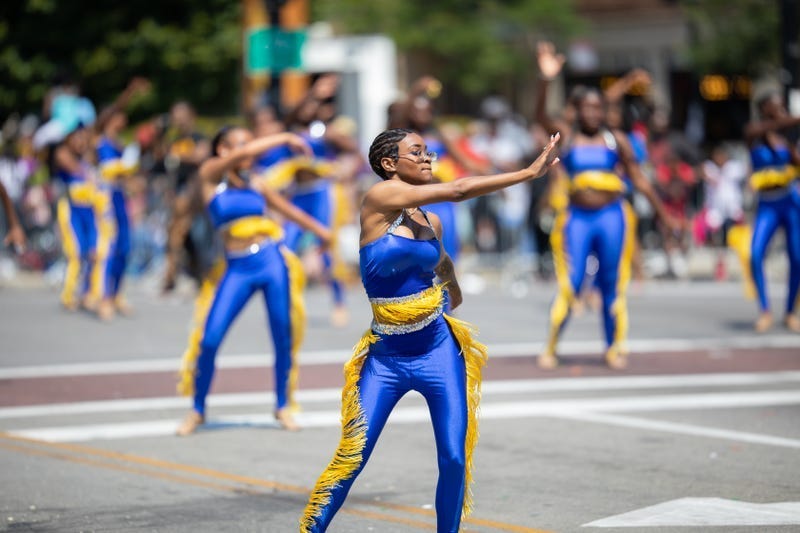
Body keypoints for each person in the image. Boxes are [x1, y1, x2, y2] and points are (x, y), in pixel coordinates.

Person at [300, 128, 560, 532]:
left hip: (438, 349)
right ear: (390, 164)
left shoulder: (429, 219)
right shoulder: (380, 198)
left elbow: (439, 259)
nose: (427, 158)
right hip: (386, 357)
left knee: (454, 457)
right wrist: (526, 174)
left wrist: (452, 287)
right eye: (416, 152)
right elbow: (458, 189)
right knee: (352, 455)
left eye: (427, 151)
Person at [175, 128, 332, 436]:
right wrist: (284, 139)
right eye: (241, 145)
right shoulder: (210, 177)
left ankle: (282, 405)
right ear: (222, 149)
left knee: (282, 333)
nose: (249, 153)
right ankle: (197, 408)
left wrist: (323, 233)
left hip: (271, 261)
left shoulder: (256, 183)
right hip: (236, 268)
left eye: (251, 144)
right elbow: (239, 157)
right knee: (210, 338)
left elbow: (288, 210)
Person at [534, 42, 675, 370]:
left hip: (613, 217)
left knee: (613, 283)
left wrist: (664, 214)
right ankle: (552, 345)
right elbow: (540, 116)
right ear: (577, 110)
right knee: (571, 283)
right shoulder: (567, 137)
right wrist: (545, 80)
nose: (593, 113)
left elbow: (639, 180)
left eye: (599, 108)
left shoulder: (617, 140)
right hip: (576, 219)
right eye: (587, 108)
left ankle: (614, 347)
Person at [91, 78, 151, 320]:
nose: (123, 119)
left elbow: (124, 174)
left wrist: (133, 182)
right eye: (117, 116)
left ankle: (116, 294)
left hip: (119, 197)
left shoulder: (120, 143)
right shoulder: (98, 138)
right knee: (110, 247)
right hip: (104, 199)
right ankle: (102, 297)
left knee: (125, 247)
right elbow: (117, 108)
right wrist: (130, 92)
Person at [743, 91, 800, 332]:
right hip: (767, 204)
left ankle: (790, 311)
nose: (778, 110)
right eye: (773, 106)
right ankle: (764, 310)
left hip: (790, 202)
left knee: (797, 257)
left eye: (781, 106)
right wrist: (787, 121)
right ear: (764, 108)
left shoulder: (787, 136)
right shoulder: (754, 133)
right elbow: (756, 131)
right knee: (755, 254)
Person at [53, 121, 98, 311]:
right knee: (76, 253)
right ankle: (69, 294)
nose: (81, 140)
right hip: (71, 211)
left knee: (93, 253)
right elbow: (74, 168)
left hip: (90, 212)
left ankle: (87, 293)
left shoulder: (87, 157)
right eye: (76, 137)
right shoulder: (63, 154)